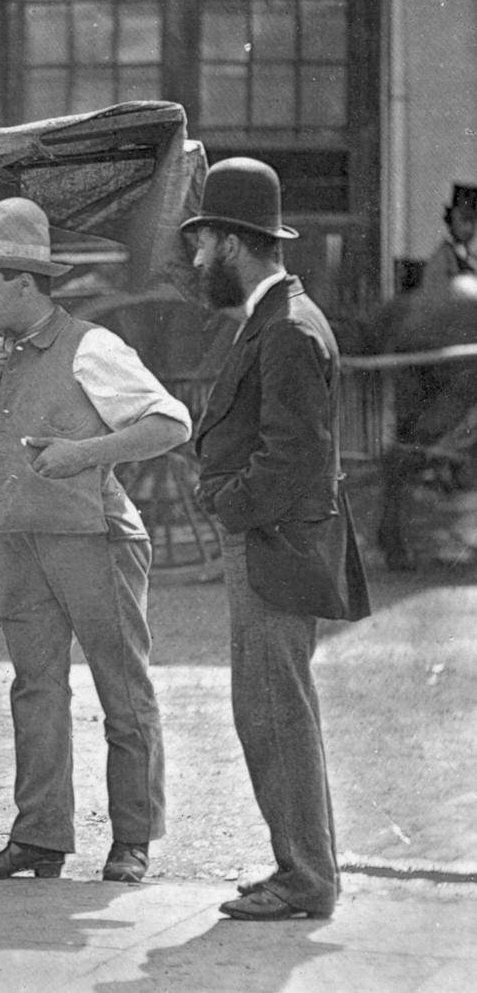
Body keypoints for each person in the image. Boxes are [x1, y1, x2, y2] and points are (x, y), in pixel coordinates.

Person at [0, 197, 191, 884]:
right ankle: (39, 836)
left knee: (123, 688)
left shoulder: (93, 346)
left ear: (24, 282)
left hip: (94, 539)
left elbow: (172, 423)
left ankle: (132, 838)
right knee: (35, 688)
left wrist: (84, 453)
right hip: (18, 541)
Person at [181, 157, 370, 921]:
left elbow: (289, 459)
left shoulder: (286, 329)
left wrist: (226, 503)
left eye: (202, 245)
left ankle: (305, 874)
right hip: (276, 546)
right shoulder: (280, 318)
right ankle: (302, 866)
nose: (195, 262)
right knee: (272, 708)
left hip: (271, 548)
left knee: (274, 711)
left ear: (232, 242)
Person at [421, 183, 477, 295]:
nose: (468, 227)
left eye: (472, 220)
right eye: (462, 219)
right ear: (450, 221)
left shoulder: (471, 258)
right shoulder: (442, 258)